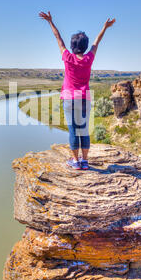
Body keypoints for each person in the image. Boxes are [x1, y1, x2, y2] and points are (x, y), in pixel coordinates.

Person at [39, 11, 115, 170]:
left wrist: (50, 22)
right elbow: (96, 43)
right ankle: (85, 161)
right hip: (84, 98)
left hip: (68, 98)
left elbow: (58, 39)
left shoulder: (67, 57)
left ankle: (75, 162)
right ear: (85, 46)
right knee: (83, 129)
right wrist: (105, 27)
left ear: (72, 46)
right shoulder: (88, 59)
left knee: (73, 129)